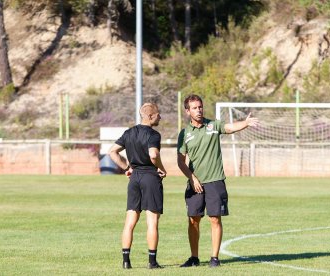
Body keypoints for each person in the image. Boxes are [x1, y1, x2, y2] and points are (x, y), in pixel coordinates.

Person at [177, 94, 259, 267]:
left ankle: (214, 258)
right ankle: (194, 258)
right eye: (194, 108)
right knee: (193, 219)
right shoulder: (184, 133)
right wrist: (192, 179)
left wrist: (245, 123)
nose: (198, 110)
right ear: (187, 111)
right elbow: (180, 161)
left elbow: (230, 128)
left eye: (200, 107)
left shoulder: (213, 125)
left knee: (215, 219)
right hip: (195, 183)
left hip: (215, 181)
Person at [109, 102, 167, 270]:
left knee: (130, 222)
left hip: (134, 179)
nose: (160, 117)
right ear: (150, 116)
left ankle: (126, 261)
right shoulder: (154, 135)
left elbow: (113, 152)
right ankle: (152, 262)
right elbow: (153, 154)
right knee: (152, 222)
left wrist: (127, 168)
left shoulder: (128, 133)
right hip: (150, 176)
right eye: (158, 114)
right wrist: (161, 168)